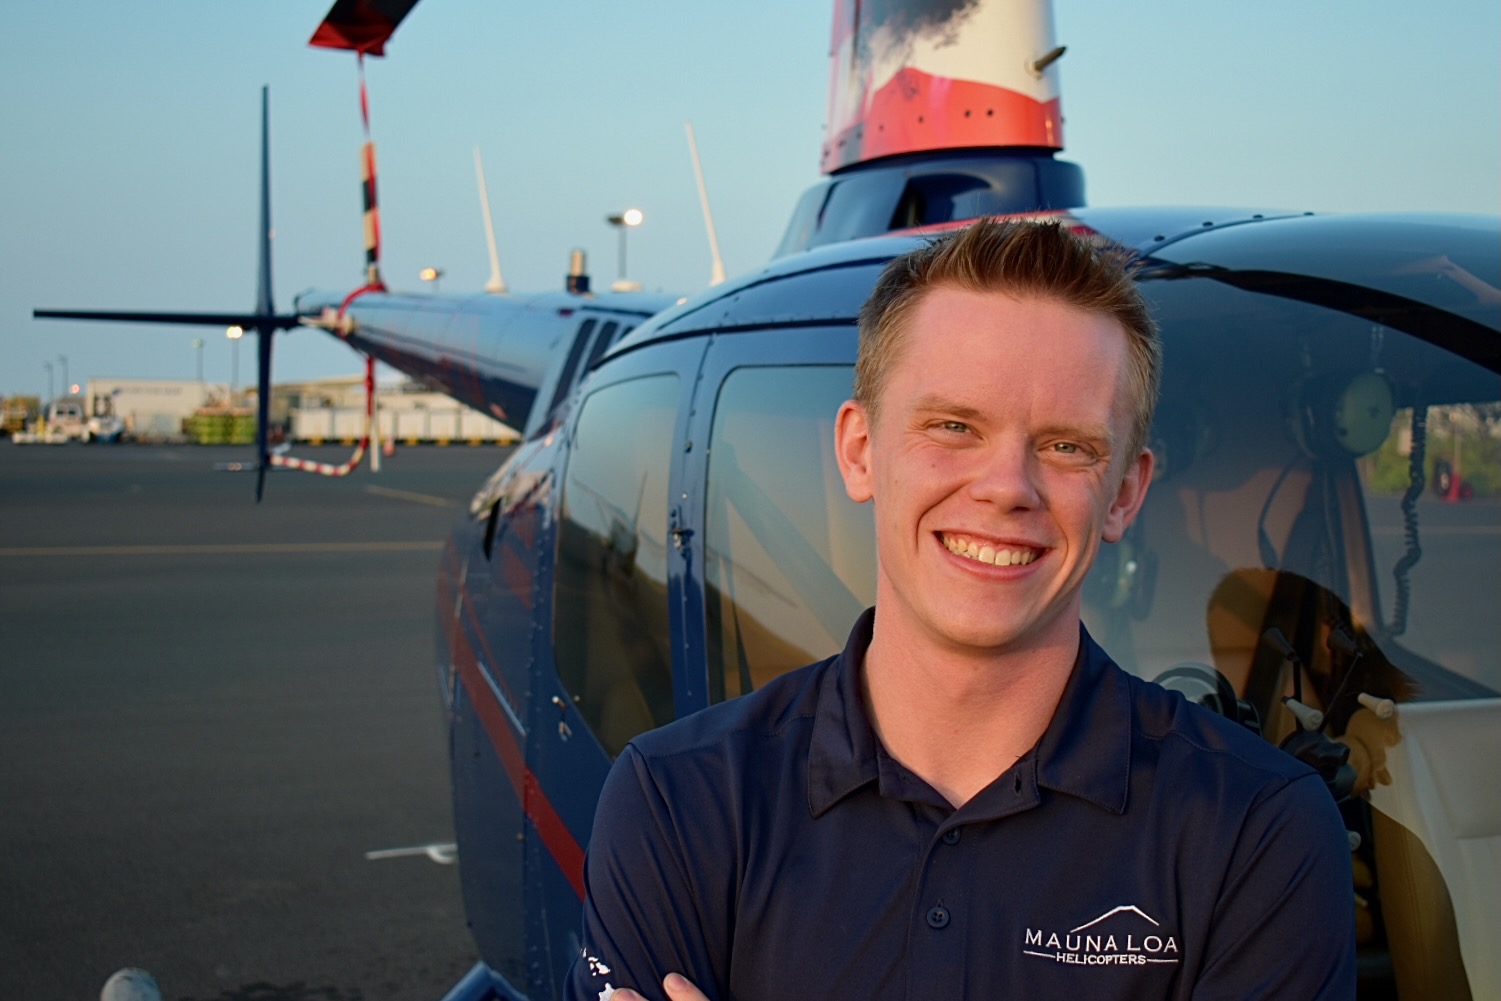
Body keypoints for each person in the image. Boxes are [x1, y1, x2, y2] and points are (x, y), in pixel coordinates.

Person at [566, 219, 1356, 1000]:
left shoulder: (1256, 830)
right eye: (953, 426)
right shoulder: (676, 800)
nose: (1006, 486)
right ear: (858, 449)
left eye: (1065, 445)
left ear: (1123, 493)